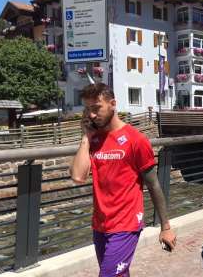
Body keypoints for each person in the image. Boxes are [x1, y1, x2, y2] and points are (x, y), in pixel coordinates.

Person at [69, 83, 176, 277]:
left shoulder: (136, 140)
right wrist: (86, 136)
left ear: (113, 104)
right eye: (88, 109)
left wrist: (165, 227)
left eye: (96, 108)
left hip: (126, 224)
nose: (91, 115)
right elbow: (77, 177)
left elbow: (153, 184)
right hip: (100, 224)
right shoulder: (94, 139)